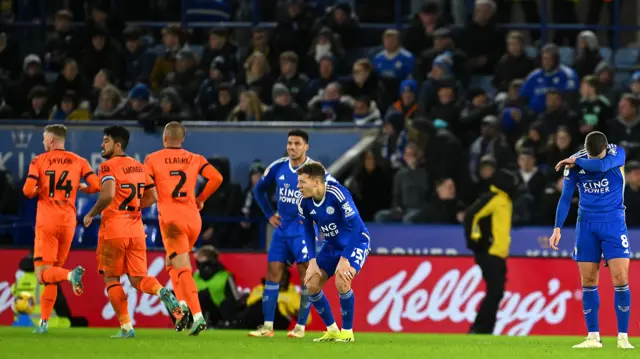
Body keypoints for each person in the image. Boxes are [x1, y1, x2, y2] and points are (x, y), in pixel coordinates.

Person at [82, 125, 183, 338]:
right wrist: (134, 209)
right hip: (136, 230)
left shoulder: (108, 167)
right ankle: (161, 291)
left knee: (112, 279)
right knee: (138, 279)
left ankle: (126, 327)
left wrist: (92, 213)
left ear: (118, 145)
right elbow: (153, 196)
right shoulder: (140, 167)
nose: (102, 144)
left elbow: (108, 195)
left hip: (113, 230)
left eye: (106, 141)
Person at [551, 131, 633, 349]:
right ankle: (593, 337)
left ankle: (623, 337)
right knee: (588, 280)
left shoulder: (617, 153)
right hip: (586, 224)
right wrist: (557, 227)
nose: (596, 159)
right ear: (587, 151)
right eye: (592, 156)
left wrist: (577, 161)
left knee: (620, 277)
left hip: (613, 222)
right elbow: (566, 197)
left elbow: (602, 167)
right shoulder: (576, 163)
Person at [144, 122, 223, 335]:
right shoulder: (194, 158)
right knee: (172, 264)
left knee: (183, 267)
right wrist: (201, 198)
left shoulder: (152, 159)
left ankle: (197, 316)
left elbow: (146, 190)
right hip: (193, 219)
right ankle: (182, 308)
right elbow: (217, 178)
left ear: (164, 138)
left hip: (171, 221)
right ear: (182, 139)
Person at [22, 124, 101, 334]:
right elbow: (96, 186)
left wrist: (42, 188)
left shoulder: (39, 161)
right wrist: (82, 187)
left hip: (47, 221)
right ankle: (44, 323)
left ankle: (70, 275)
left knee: (42, 274)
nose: (43, 142)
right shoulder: (79, 161)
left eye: (43, 139)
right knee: (51, 275)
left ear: (50, 140)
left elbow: (28, 191)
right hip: (67, 223)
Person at [249, 129, 315, 339]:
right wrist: (269, 214)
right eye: (289, 143)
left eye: (297, 144)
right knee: (273, 273)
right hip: (282, 229)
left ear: (306, 147)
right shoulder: (277, 166)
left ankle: (301, 327)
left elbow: (327, 197)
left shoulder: (315, 170)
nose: (292, 147)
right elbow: (258, 190)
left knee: (306, 275)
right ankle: (268, 327)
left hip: (303, 230)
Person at [297, 162, 371, 343]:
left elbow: (356, 227)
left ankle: (347, 332)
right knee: (311, 284)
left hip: (356, 242)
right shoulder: (304, 202)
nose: (298, 186)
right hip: (331, 246)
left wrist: (345, 258)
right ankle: (332, 330)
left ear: (316, 182)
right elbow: (307, 231)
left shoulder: (337, 194)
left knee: (342, 279)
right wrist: (312, 261)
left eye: (301, 182)